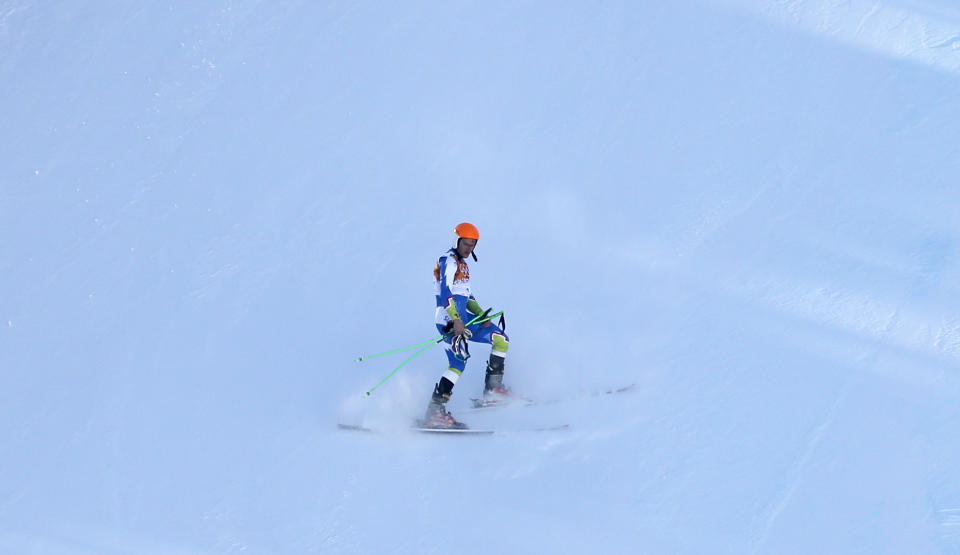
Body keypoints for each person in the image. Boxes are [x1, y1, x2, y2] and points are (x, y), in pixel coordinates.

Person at [422, 222, 511, 428]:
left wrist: (481, 315)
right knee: (458, 362)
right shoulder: (448, 261)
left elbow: (467, 295)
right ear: (457, 241)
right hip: (449, 321)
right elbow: (446, 293)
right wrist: (455, 320)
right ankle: (434, 413)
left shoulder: (463, 265)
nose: (469, 249)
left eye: (473, 245)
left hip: (466, 319)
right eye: (466, 244)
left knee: (501, 339)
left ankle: (493, 392)